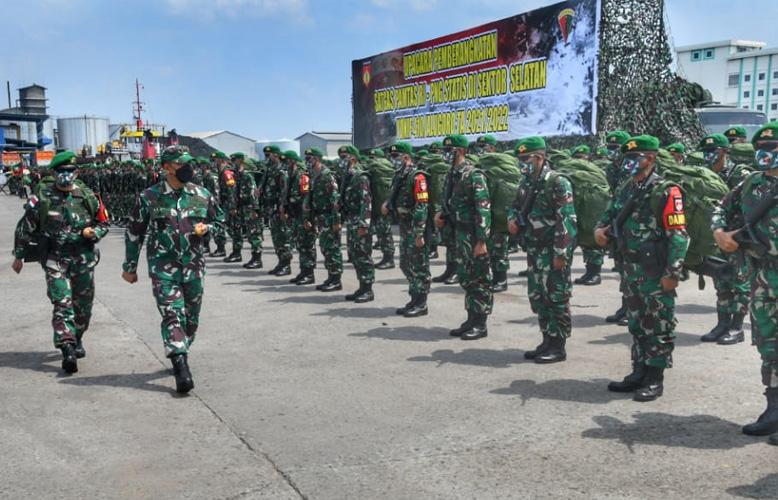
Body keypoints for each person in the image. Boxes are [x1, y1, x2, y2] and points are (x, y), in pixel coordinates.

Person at [122, 146, 224, 394]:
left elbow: (220, 221)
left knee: (191, 319)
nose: (188, 167)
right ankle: (180, 365)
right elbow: (135, 232)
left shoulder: (202, 194)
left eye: (188, 162)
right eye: (181, 163)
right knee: (172, 313)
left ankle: (181, 344)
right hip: (162, 267)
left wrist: (208, 229)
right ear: (166, 167)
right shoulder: (149, 196)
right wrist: (130, 267)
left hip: (193, 267)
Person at [595, 135, 689, 401]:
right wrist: (599, 230)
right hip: (631, 267)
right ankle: (638, 370)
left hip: (656, 270)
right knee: (637, 321)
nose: (630, 163)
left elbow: (679, 235)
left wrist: (673, 273)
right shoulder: (627, 188)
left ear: (651, 158)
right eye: (627, 159)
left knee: (659, 323)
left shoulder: (667, 191)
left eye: (635, 158)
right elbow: (609, 214)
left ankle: (654, 377)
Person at [12, 150, 109, 374]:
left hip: (83, 259)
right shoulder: (42, 198)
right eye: (61, 171)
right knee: (62, 303)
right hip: (55, 259)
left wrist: (93, 232)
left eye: (69, 171)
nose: (65, 175)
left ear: (76, 172)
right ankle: (67, 347)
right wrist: (19, 255)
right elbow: (25, 226)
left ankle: (77, 336)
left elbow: (104, 222)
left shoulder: (87, 196)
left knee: (83, 306)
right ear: (54, 173)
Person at [712, 122, 778, 442]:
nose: (765, 156)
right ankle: (774, 409)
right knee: (768, 343)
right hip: (763, 277)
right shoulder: (751, 183)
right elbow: (721, 209)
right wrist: (720, 233)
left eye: (772, 150)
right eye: (761, 151)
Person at [508, 137, 577, 362]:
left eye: (525, 158)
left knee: (556, 296)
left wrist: (561, 254)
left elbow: (566, 220)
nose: (521, 163)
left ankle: (558, 346)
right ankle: (546, 340)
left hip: (552, 251)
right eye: (519, 159)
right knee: (538, 296)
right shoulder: (526, 182)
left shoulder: (557, 182)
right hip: (535, 250)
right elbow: (515, 207)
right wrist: (511, 219)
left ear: (539, 157)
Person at [436, 134, 493, 340]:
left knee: (479, 278)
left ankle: (481, 323)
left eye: (448, 151)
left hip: (473, 235)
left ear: (460, 151)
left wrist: (482, 241)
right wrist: (441, 215)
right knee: (466, 277)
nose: (445, 154)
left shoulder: (473, 175)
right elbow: (450, 201)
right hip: (458, 233)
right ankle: (471, 318)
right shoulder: (452, 175)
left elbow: (483, 209)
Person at [699, 134, 751, 345]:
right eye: (706, 152)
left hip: (739, 238)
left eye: (714, 152)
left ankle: (737, 327)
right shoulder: (705, 175)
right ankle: (722, 323)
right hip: (717, 234)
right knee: (721, 280)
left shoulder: (741, 173)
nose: (709, 156)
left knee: (740, 282)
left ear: (724, 152)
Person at [382, 142, 431, 317]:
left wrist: (419, 232)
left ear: (406, 157)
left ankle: (421, 303)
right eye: (392, 156)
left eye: (396, 156)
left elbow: (422, 205)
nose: (392, 159)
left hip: (415, 227)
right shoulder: (399, 175)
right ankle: (414, 297)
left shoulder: (418, 177)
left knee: (419, 265)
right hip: (404, 226)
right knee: (405, 263)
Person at [302, 147, 342, 288]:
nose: (307, 161)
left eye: (309, 158)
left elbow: (335, 201)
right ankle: (331, 277)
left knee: (332, 249)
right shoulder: (314, 175)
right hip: (320, 217)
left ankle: (336, 280)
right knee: (325, 248)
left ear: (316, 159)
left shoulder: (327, 176)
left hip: (329, 218)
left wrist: (336, 221)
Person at [340, 146, 375, 302]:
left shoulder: (361, 176)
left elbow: (366, 202)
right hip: (352, 221)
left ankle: (368, 290)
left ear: (353, 158)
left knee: (363, 256)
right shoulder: (349, 175)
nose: (342, 160)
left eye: (345, 156)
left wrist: (363, 224)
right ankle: (362, 287)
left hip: (360, 222)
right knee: (354, 255)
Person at [284, 150, 316, 284]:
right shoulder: (291, 176)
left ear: (293, 161)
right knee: (300, 245)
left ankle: (309, 274)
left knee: (307, 245)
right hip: (296, 215)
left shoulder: (302, 176)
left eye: (288, 161)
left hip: (303, 215)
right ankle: (303, 272)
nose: (286, 164)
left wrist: (306, 218)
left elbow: (305, 197)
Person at [262, 145, 293, 275]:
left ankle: (286, 265)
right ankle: (281, 262)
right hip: (272, 208)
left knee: (283, 236)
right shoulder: (269, 170)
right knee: (276, 237)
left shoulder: (281, 170)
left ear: (276, 155)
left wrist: (283, 207)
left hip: (279, 207)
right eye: (266, 155)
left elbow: (284, 191)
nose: (267, 158)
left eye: (269, 155)